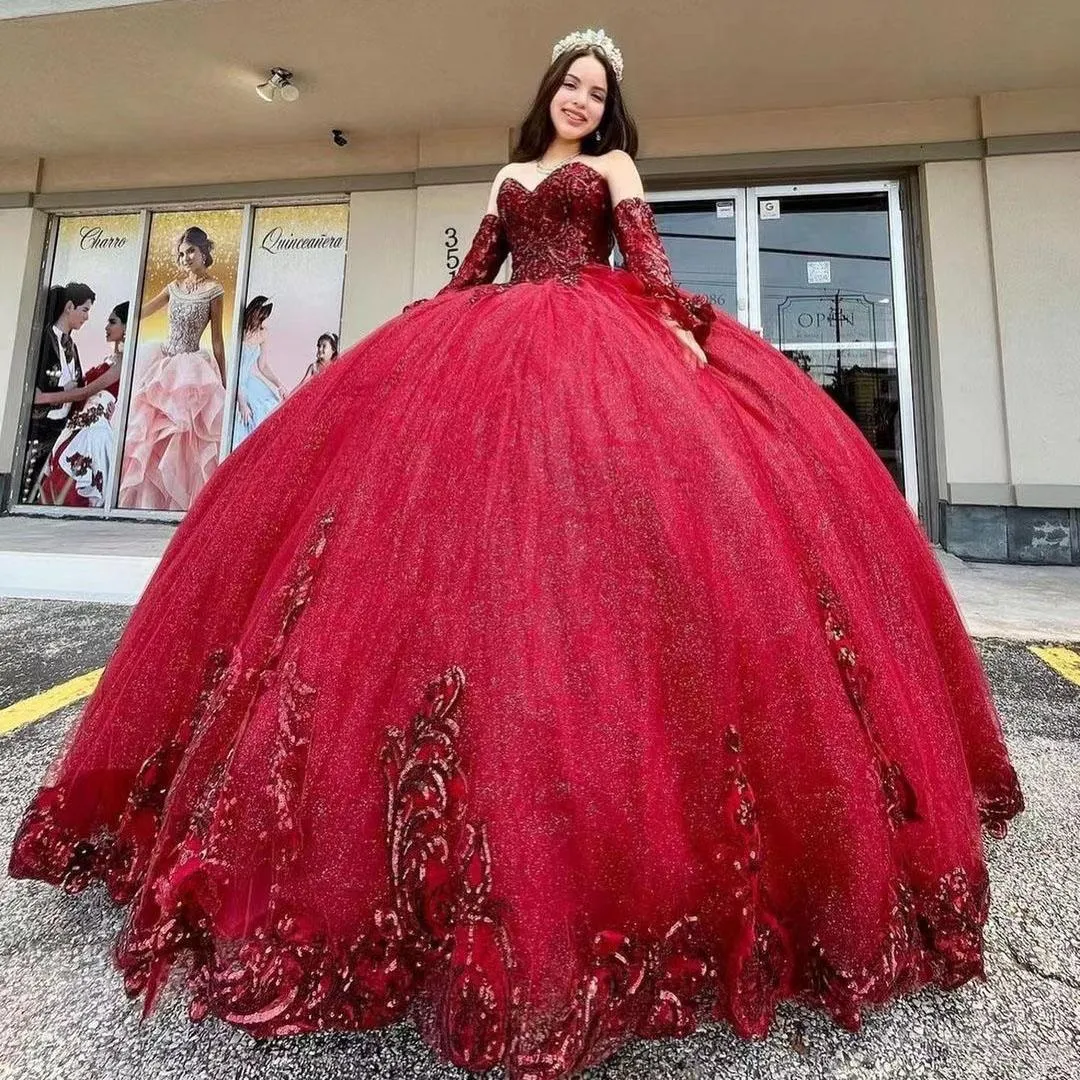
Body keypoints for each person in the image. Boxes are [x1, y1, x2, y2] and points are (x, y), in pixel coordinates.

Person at [9, 29, 1022, 1080]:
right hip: (492, 353)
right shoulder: (507, 175)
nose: (583, 99)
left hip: (599, 347)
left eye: (597, 90)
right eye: (572, 86)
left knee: (613, 547)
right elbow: (471, 278)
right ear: (547, 93)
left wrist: (681, 333)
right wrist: (413, 347)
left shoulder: (615, 170)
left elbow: (650, 262)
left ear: (608, 107)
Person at [118, 226, 226, 511]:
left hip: (190, 372)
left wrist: (225, 380)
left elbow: (217, 339)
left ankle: (180, 505)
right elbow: (140, 312)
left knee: (183, 439)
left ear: (204, 252)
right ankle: (149, 504)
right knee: (152, 436)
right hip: (163, 365)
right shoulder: (174, 288)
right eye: (181, 254)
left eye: (191, 251)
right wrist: (121, 316)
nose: (186, 258)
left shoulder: (214, 290)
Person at [37, 301, 128, 507]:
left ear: (126, 328)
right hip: (78, 428)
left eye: (112, 322)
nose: (106, 327)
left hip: (93, 433)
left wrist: (42, 398)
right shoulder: (110, 360)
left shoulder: (123, 363)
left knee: (74, 486)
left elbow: (84, 393)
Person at [20, 282, 94, 502]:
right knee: (28, 491)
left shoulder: (72, 347)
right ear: (69, 306)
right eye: (85, 310)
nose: (87, 317)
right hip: (38, 433)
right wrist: (68, 392)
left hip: (60, 433)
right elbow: (33, 394)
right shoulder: (43, 340)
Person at [233, 295, 285, 446]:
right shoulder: (240, 331)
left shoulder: (263, 333)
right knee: (244, 418)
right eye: (262, 315)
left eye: (265, 317)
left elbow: (262, 365)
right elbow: (234, 370)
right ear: (254, 312)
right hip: (235, 383)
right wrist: (241, 401)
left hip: (249, 382)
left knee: (268, 408)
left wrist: (279, 384)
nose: (263, 320)